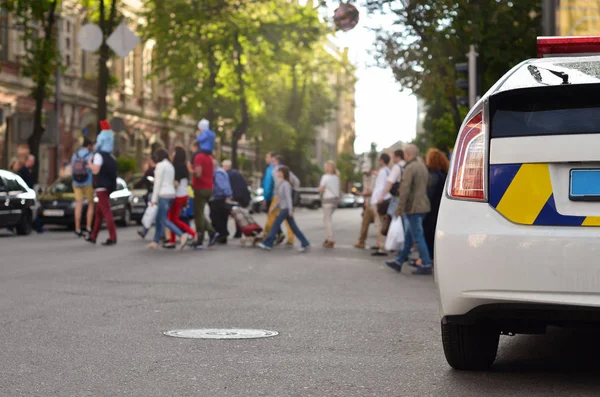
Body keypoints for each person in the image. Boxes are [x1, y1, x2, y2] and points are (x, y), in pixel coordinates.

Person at [385, 144, 433, 275]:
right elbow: (427, 184)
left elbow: (404, 191)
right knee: (409, 236)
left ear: (407, 154)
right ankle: (399, 261)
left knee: (417, 236)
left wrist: (398, 208)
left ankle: (426, 263)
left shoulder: (410, 168)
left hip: (413, 207)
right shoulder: (422, 166)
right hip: (423, 205)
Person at [147, 148, 191, 250]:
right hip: (171, 193)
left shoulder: (160, 166)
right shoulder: (170, 166)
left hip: (163, 194)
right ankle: (155, 241)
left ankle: (182, 234)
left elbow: (158, 183)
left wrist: (153, 199)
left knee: (163, 218)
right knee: (159, 219)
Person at [258, 166, 310, 252]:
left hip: (285, 209)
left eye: (279, 172)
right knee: (294, 228)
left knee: (275, 225)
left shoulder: (286, 184)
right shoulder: (282, 183)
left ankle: (267, 243)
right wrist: (273, 208)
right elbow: (280, 199)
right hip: (284, 208)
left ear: (283, 173)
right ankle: (305, 243)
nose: (277, 173)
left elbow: (288, 198)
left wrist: (290, 210)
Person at [85, 123, 118, 246]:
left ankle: (113, 237)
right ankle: (93, 236)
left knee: (106, 211)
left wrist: (89, 164)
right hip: (109, 187)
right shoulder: (111, 157)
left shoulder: (98, 155)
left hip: (101, 187)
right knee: (98, 212)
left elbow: (96, 170)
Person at [164, 146, 196, 248]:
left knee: (173, 219)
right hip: (184, 194)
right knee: (172, 218)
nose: (172, 154)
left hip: (177, 195)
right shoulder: (184, 166)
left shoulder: (176, 167)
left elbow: (176, 183)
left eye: (173, 152)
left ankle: (192, 234)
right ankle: (172, 241)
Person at [190, 140, 218, 248]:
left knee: (198, 215)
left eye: (192, 147)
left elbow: (198, 173)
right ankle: (211, 233)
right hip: (209, 187)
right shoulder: (209, 157)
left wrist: (190, 169)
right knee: (200, 213)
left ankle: (201, 239)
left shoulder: (199, 157)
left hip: (200, 187)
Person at [265, 155, 297, 246]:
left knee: (271, 216)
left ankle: (267, 236)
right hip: (283, 196)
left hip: (276, 196)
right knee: (287, 218)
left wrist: (267, 196)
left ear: (276, 162)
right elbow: (297, 182)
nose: (271, 161)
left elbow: (269, 184)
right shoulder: (287, 171)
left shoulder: (274, 170)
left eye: (273, 160)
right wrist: (291, 187)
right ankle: (291, 238)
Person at [423, 148, 449, 261]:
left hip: (432, 209)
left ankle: (427, 259)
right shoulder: (444, 174)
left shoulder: (434, 175)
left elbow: (430, 194)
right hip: (440, 209)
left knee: (427, 233)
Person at [71, 138, 95, 237]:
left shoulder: (75, 155)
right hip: (88, 182)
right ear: (89, 146)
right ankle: (88, 227)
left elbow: (72, 169)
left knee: (78, 205)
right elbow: (93, 169)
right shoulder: (90, 155)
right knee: (90, 204)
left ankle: (77, 228)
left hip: (76, 183)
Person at [222, 159, 251, 238]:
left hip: (232, 197)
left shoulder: (225, 174)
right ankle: (238, 232)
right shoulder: (238, 173)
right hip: (241, 197)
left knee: (225, 214)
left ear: (224, 166)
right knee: (238, 214)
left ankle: (225, 232)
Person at [370, 153, 392, 256]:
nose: (378, 162)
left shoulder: (383, 172)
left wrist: (377, 199)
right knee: (382, 223)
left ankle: (381, 246)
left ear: (382, 161)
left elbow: (380, 187)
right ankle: (379, 244)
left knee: (379, 224)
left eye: (379, 160)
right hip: (386, 200)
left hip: (379, 200)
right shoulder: (389, 171)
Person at [353, 165, 377, 249]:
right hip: (368, 203)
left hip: (375, 204)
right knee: (364, 223)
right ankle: (361, 241)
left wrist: (361, 194)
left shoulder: (375, 177)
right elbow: (366, 190)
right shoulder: (365, 177)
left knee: (378, 225)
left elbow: (372, 191)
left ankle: (379, 243)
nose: (365, 173)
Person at [210, 160, 233, 244]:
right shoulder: (221, 172)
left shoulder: (218, 173)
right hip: (221, 198)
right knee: (222, 218)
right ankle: (222, 235)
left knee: (217, 218)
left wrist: (228, 194)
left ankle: (221, 235)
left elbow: (222, 185)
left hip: (219, 198)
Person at [319, 160, 340, 248]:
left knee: (327, 220)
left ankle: (330, 239)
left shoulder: (325, 177)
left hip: (327, 199)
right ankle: (327, 237)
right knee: (328, 219)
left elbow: (321, 188)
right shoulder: (337, 177)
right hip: (335, 201)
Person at [378, 149, 405, 217]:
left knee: (391, 217)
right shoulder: (407, 165)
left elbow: (390, 183)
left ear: (398, 157)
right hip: (406, 196)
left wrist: (382, 196)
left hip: (397, 196)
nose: (392, 159)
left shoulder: (397, 167)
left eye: (393, 157)